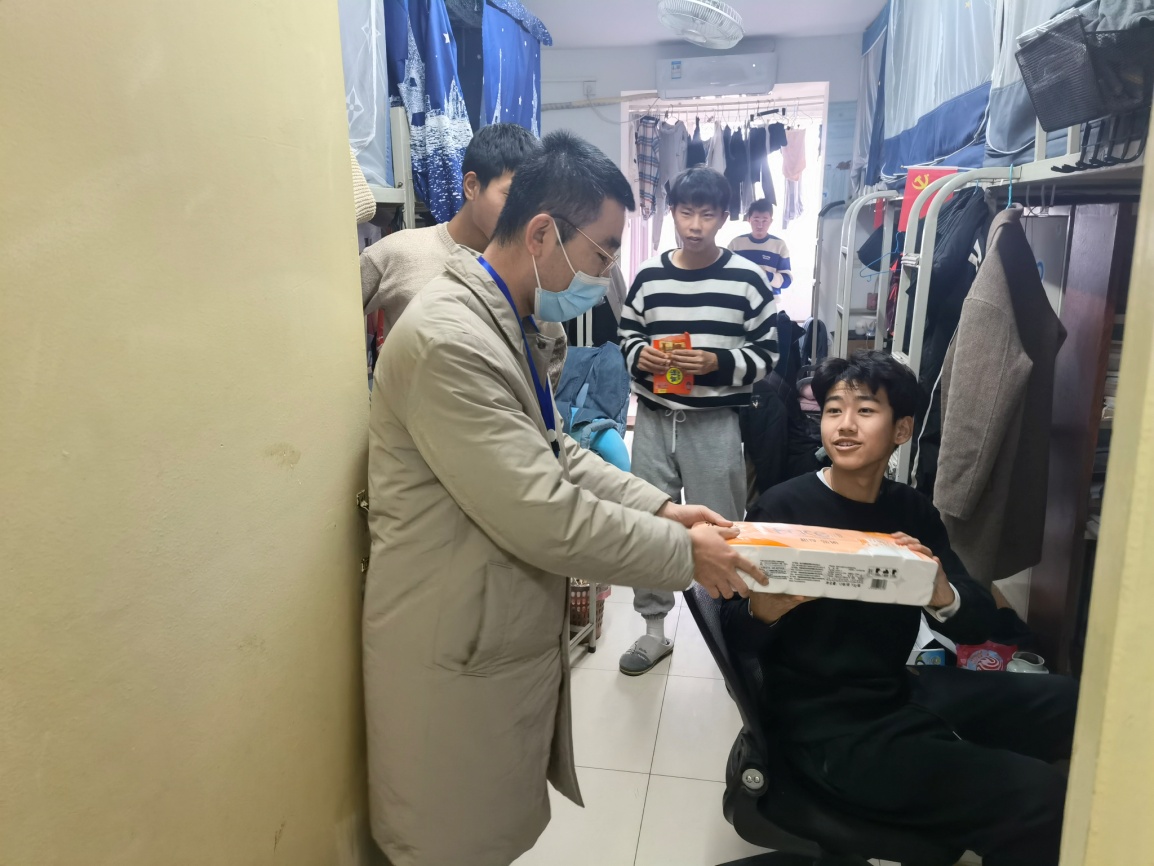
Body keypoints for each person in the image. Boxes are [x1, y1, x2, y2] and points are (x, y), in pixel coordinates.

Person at [362, 131, 768, 866]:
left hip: (493, 618)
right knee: (447, 835)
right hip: (449, 633)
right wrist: (684, 553)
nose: (607, 272)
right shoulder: (450, 339)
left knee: (488, 823)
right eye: (604, 252)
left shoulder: (506, 320)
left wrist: (660, 509)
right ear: (544, 233)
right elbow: (545, 512)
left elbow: (556, 448)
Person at [723, 351, 1078, 866]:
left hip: (898, 687)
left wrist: (942, 594)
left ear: (902, 429)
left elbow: (978, 620)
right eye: (833, 410)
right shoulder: (783, 509)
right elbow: (732, 633)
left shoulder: (911, 511)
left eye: (865, 410)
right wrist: (765, 609)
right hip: (825, 725)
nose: (844, 425)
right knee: (1040, 798)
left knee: (1072, 703)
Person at [616, 166, 780, 676]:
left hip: (714, 423)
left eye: (706, 214)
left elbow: (769, 354)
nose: (694, 225)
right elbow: (627, 335)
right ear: (671, 213)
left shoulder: (747, 279)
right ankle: (653, 630)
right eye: (685, 212)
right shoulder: (649, 275)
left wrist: (716, 363)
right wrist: (640, 355)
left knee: (723, 525)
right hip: (653, 418)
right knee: (650, 523)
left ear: (724, 217)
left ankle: (731, 628)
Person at [359, 122, 568, 386]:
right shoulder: (399, 253)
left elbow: (553, 351)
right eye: (514, 197)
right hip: (410, 410)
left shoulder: (530, 275)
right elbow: (328, 323)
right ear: (472, 186)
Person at [728, 198, 793, 295]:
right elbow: (726, 273)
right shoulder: (736, 244)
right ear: (749, 219)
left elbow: (787, 281)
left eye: (765, 220)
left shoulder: (779, 245)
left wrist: (767, 275)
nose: (760, 225)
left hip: (769, 300)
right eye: (756, 220)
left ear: (771, 221)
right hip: (740, 299)